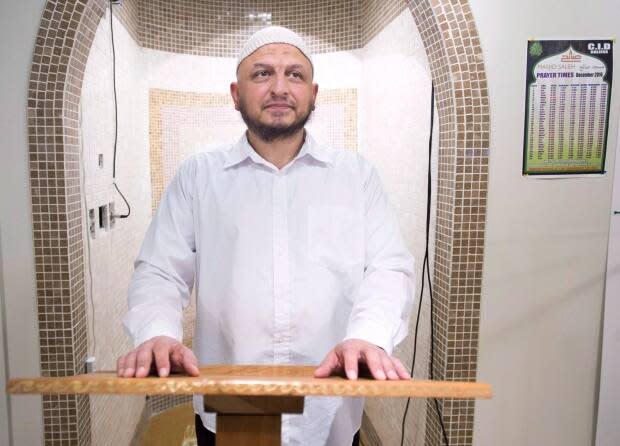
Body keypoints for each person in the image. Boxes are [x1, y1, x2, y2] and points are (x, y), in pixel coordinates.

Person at [117, 26, 415, 446]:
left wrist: (369, 334)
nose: (279, 87)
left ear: (314, 93)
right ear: (236, 93)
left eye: (294, 74)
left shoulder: (356, 178)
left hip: (327, 408)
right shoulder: (199, 177)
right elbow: (160, 271)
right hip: (228, 405)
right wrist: (156, 331)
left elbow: (388, 268)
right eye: (262, 74)